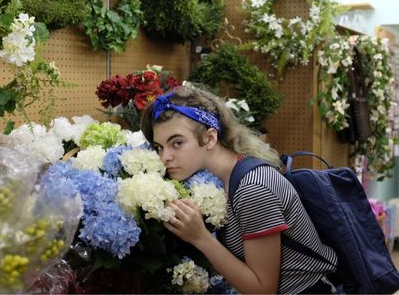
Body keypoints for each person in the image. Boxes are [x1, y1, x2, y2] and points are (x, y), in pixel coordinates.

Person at [140, 84, 340, 294]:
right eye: (159, 147)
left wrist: (200, 237)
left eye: (177, 143)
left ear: (210, 138)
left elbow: (263, 290)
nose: (165, 157)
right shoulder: (214, 180)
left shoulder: (252, 187)